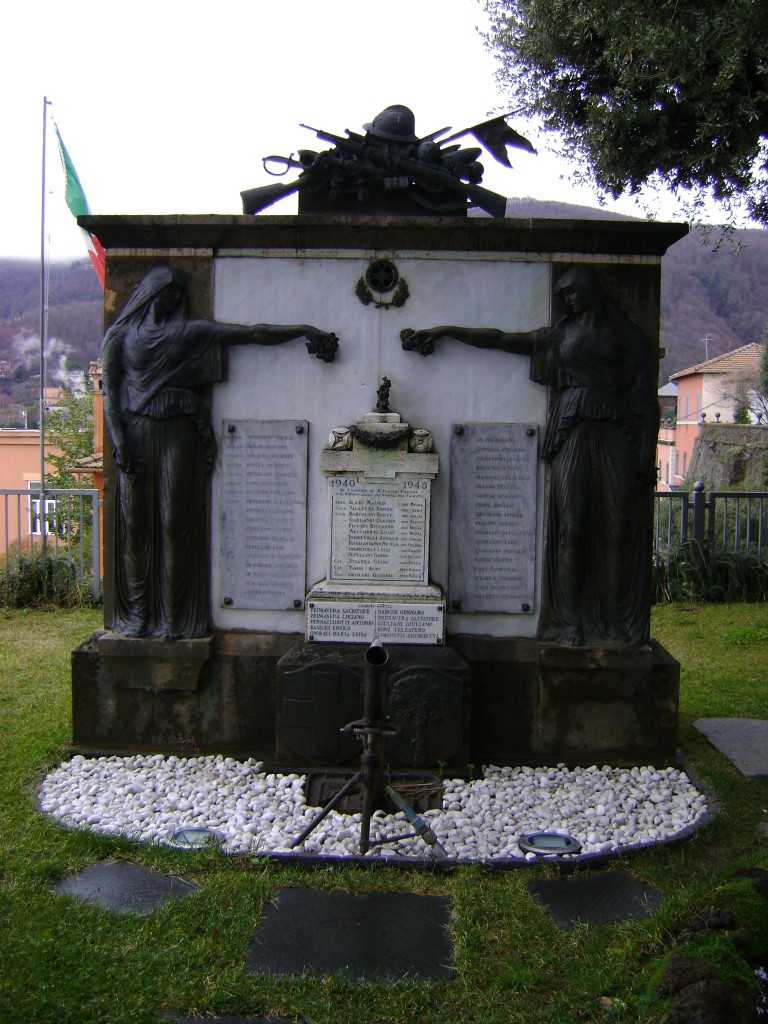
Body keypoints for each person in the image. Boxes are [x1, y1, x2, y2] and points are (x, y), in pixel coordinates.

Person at [401, 266, 658, 645]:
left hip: (615, 434)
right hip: (572, 433)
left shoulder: (628, 337)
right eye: (563, 295)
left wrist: (646, 454)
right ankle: (569, 622)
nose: (567, 300)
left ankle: (616, 623)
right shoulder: (561, 336)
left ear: (590, 288)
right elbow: (501, 339)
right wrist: (446, 331)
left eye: (572, 291)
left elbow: (646, 402)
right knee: (571, 526)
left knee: (618, 530)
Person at [102, 266, 338, 640]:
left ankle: (172, 617)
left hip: (178, 431)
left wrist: (304, 331)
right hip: (136, 434)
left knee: (172, 521)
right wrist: (120, 443)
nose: (177, 299)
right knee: (135, 525)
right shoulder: (120, 337)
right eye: (170, 292)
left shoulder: (190, 332)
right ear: (151, 292)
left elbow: (253, 333)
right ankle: (138, 614)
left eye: (181, 293)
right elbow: (110, 398)